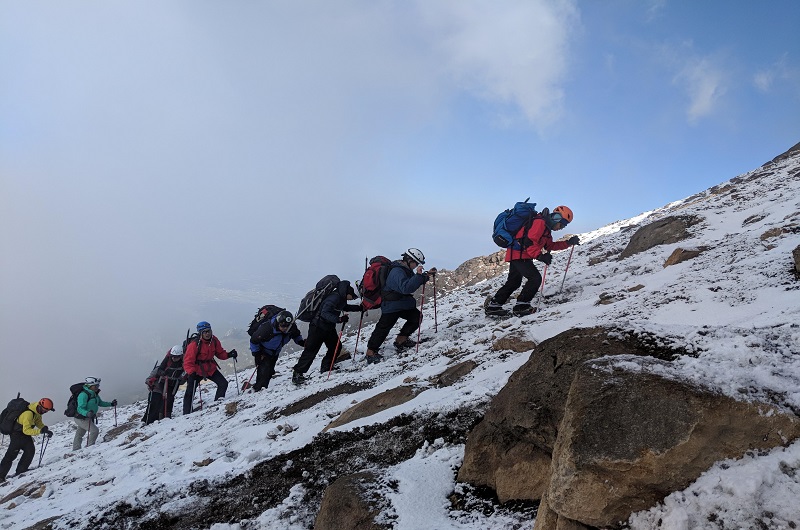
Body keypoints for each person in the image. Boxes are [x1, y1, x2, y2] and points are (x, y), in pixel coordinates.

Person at [486, 205, 580, 317]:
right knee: (535, 278)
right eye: (563, 224)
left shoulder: (546, 229)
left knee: (514, 282)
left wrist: (568, 243)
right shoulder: (539, 223)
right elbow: (529, 242)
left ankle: (494, 306)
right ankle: (521, 307)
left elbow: (550, 246)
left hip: (517, 254)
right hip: (520, 254)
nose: (562, 228)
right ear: (556, 218)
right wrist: (540, 256)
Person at [364, 248, 436, 364]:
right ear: (409, 260)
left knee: (416, 317)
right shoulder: (397, 271)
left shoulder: (404, 269)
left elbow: (411, 282)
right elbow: (406, 287)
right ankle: (370, 352)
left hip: (400, 304)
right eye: (416, 262)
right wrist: (418, 276)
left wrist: (426, 276)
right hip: (391, 305)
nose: (416, 265)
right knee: (383, 328)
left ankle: (401, 341)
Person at [292, 280, 362, 384]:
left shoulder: (341, 297)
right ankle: (297, 374)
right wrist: (338, 319)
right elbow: (325, 313)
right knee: (311, 350)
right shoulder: (335, 297)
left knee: (335, 347)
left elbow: (344, 307)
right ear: (349, 293)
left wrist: (360, 308)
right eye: (354, 297)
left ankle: (326, 367)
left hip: (328, 327)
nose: (354, 299)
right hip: (317, 327)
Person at [183, 321, 237, 414]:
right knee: (190, 393)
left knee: (223, 383)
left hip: (210, 368)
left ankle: (218, 403)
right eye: (205, 332)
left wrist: (229, 354)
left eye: (209, 331)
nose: (207, 333)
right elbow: (188, 361)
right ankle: (186, 413)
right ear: (200, 333)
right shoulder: (194, 345)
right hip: (196, 370)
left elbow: (220, 353)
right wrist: (191, 372)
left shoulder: (214, 340)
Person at [0, 398, 54, 482]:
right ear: (40, 406)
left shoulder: (37, 412)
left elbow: (38, 422)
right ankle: (0, 477)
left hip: (24, 435)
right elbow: (27, 430)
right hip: (16, 435)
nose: (45, 412)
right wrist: (40, 431)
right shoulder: (28, 414)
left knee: (30, 450)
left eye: (46, 411)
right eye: (45, 410)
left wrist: (44, 428)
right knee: (11, 455)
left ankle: (21, 471)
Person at [249, 310, 305, 391]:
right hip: (263, 353)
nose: (285, 328)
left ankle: (263, 389)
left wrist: (301, 342)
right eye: (283, 326)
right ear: (278, 323)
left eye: (287, 326)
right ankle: (258, 389)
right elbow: (254, 340)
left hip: (275, 352)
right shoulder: (267, 328)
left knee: (270, 371)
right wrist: (257, 354)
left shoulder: (291, 327)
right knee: (263, 372)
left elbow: (296, 335)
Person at [144, 345, 188, 424]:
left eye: (176, 357)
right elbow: (159, 370)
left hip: (173, 384)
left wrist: (182, 378)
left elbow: (185, 373)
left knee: (170, 399)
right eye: (173, 357)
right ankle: (156, 418)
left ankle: (167, 416)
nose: (174, 358)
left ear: (181, 356)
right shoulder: (167, 361)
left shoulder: (183, 363)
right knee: (160, 400)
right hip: (162, 383)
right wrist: (162, 374)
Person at [72, 377, 117, 450]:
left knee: (80, 434)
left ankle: (76, 450)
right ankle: (90, 447)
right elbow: (80, 408)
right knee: (94, 431)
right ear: (89, 386)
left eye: (98, 386)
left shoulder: (94, 394)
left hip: (87, 417)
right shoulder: (83, 395)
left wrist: (111, 404)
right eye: (95, 386)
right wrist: (87, 413)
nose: (97, 387)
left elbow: (100, 403)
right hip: (81, 418)